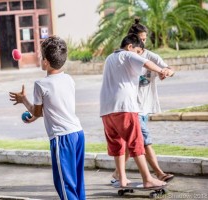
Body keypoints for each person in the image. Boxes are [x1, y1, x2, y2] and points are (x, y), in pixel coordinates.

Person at [9, 36, 85, 199]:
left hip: (61, 138)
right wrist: (34, 116)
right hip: (78, 134)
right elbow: (54, 108)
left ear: (45, 62)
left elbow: (37, 112)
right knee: (78, 182)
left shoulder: (41, 84)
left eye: (41, 56)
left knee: (65, 184)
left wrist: (24, 100)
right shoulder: (68, 79)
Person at [100, 33, 173, 188]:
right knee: (136, 142)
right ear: (130, 46)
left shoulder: (109, 58)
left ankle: (123, 179)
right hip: (125, 106)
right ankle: (147, 178)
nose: (139, 55)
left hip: (106, 110)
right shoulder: (127, 54)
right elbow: (146, 62)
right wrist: (162, 71)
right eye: (138, 51)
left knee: (117, 145)